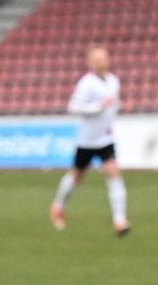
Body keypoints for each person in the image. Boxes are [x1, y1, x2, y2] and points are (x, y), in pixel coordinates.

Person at [49, 46, 128, 235]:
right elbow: (73, 107)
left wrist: (119, 106)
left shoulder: (113, 81)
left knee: (113, 172)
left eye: (104, 58)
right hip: (86, 140)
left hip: (105, 138)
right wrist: (97, 107)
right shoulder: (86, 83)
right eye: (97, 59)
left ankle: (119, 221)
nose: (101, 62)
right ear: (90, 62)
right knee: (77, 176)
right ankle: (58, 206)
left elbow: (111, 104)